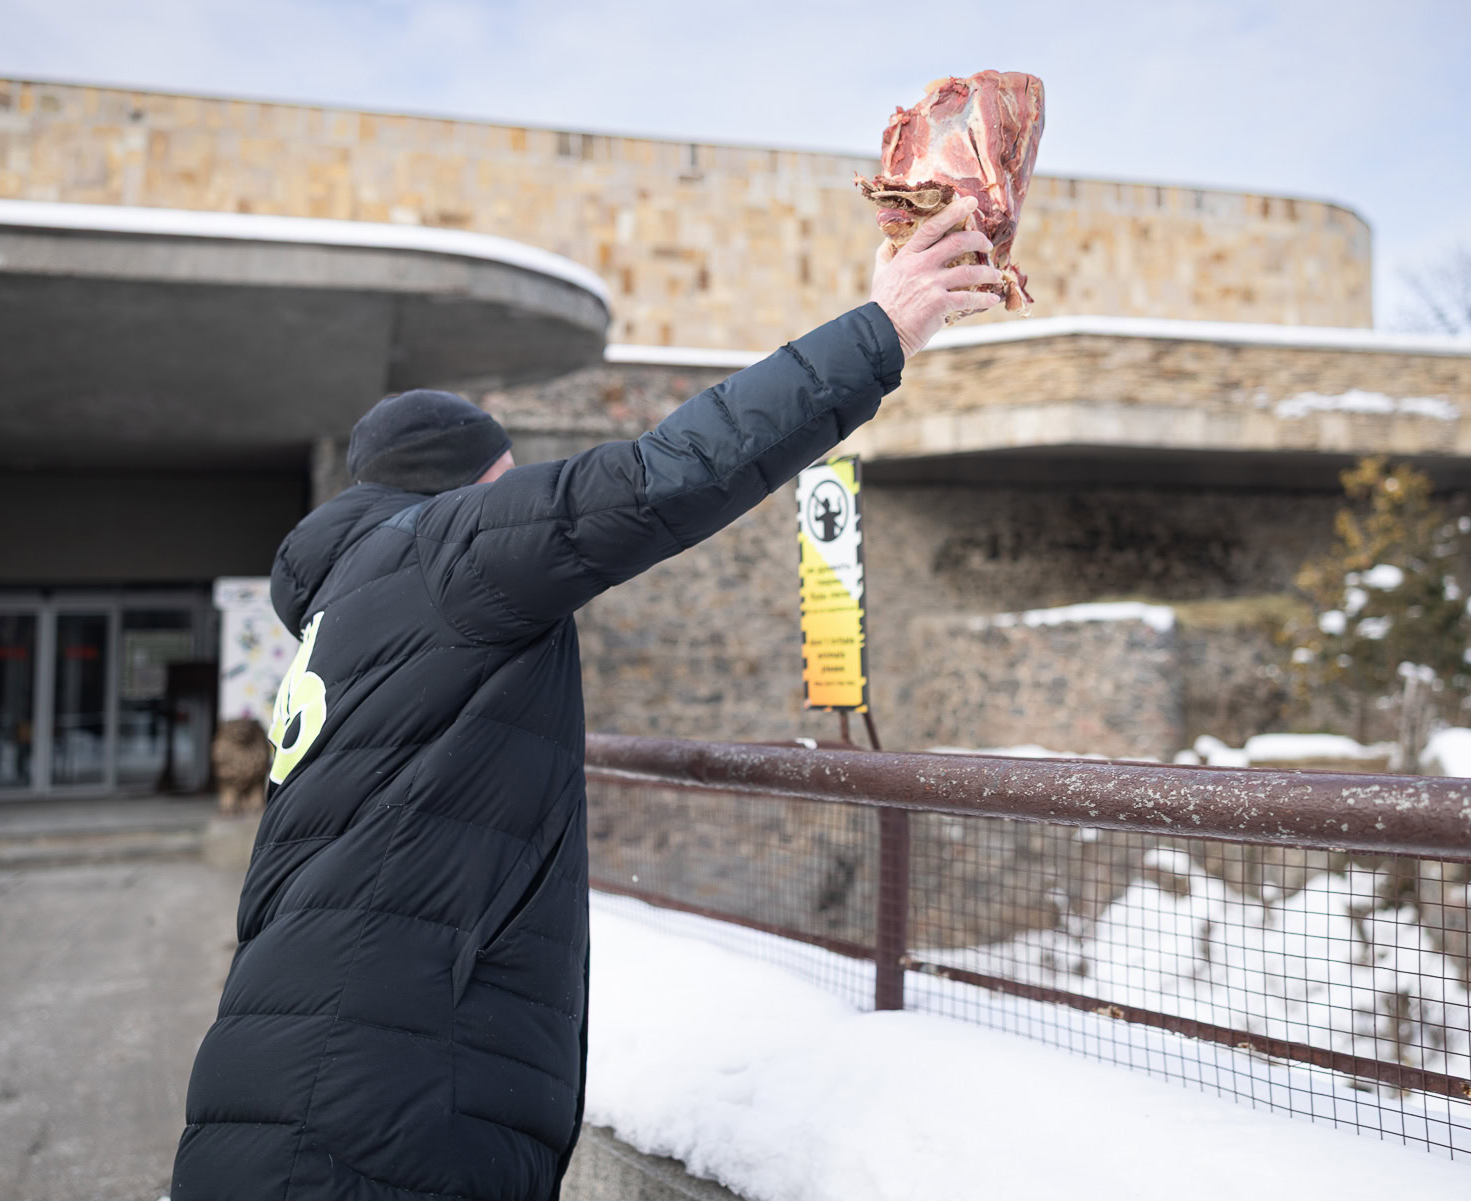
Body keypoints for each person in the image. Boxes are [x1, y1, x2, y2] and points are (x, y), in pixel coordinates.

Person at [171, 197, 1000, 1201]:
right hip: (376, 1113)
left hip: (292, 1078)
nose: (518, 497)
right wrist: (883, 328)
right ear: (469, 484)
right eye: (508, 481)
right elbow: (667, 473)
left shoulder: (342, 600)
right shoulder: (448, 547)